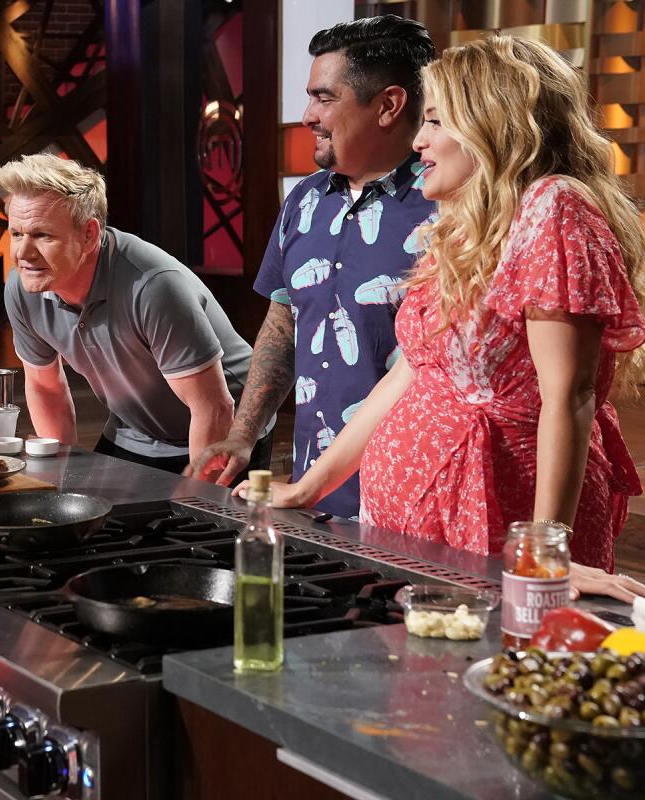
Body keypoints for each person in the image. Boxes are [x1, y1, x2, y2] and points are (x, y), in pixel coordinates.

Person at [270, 36, 645, 604]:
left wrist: (546, 554)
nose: (419, 141)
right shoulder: (465, 222)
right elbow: (413, 374)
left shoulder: (554, 207)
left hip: (506, 511)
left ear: (493, 124)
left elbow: (568, 396)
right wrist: (309, 488)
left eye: (437, 122)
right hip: (421, 522)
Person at [189, 15, 437, 518]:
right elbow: (284, 324)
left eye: (324, 97)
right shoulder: (303, 199)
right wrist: (242, 436)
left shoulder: (446, 206)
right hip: (309, 488)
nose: (307, 115)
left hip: (412, 490)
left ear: (389, 105)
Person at [0, 153, 274, 476]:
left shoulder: (154, 286)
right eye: (16, 234)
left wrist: (199, 502)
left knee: (194, 524)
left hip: (226, 428)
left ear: (89, 235)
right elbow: (46, 388)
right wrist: (59, 480)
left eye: (42, 235)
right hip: (135, 431)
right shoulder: (23, 285)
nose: (23, 253)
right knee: (88, 516)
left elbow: (213, 407)